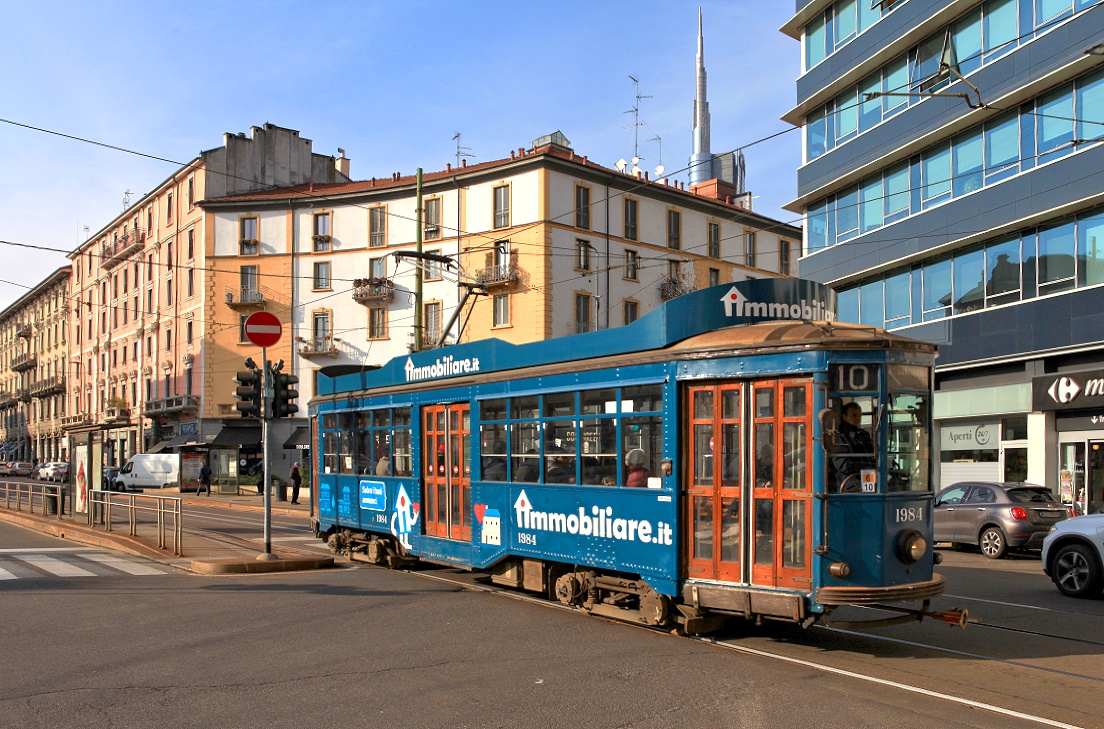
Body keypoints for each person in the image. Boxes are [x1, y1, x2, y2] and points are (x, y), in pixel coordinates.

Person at [831, 402, 875, 492]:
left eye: (860, 415)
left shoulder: (863, 434)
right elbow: (844, 465)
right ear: (844, 417)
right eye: (854, 415)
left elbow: (872, 455)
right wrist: (867, 467)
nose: (858, 418)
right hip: (850, 483)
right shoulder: (839, 437)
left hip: (867, 479)